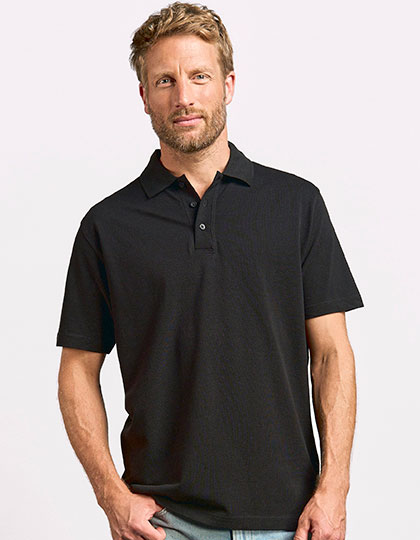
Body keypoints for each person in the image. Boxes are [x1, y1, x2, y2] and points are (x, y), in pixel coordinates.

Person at [55, 2, 364, 539]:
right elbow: (77, 369)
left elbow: (331, 353)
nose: (184, 97)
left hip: (289, 520)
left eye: (199, 76)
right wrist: (111, 495)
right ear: (144, 96)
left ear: (228, 84)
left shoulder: (296, 204)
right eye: (165, 80)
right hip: (163, 522)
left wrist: (334, 488)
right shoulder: (108, 225)